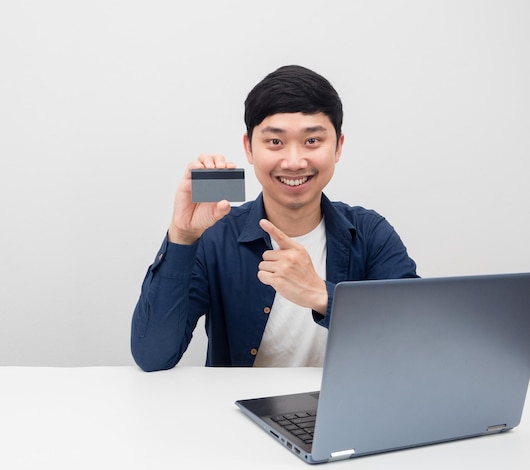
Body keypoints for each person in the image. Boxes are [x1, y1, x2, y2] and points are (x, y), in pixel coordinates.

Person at [131, 65, 418, 372]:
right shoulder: (217, 235)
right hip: (236, 416)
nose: (294, 162)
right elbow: (153, 356)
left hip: (346, 413)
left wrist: (322, 296)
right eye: (275, 142)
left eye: (312, 141)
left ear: (338, 147)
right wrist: (182, 235)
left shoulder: (370, 233)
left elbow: (417, 340)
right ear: (249, 148)